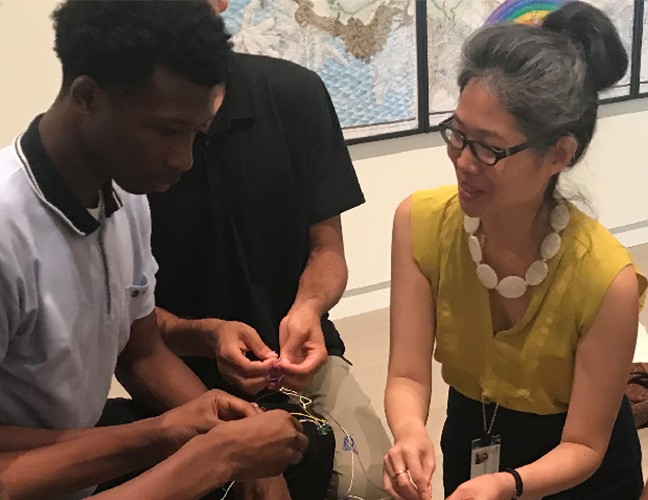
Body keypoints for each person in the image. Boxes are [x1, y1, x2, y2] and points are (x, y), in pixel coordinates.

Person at [0, 1, 307, 498]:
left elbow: (141, 351)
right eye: (166, 131)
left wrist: (237, 447)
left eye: (196, 133)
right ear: (87, 96)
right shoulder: (6, 230)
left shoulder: (126, 199)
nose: (183, 159)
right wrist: (211, 450)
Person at [383, 2, 646, 500]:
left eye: (489, 148)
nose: (463, 161)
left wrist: (510, 485)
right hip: (473, 443)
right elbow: (407, 375)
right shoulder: (418, 224)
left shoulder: (606, 277)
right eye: (457, 134)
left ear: (559, 154)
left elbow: (586, 446)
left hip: (578, 477)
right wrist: (409, 432)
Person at [148, 2, 392, 499]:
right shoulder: (126, 130)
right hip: (172, 374)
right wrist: (207, 338)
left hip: (299, 364)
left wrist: (308, 308)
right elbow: (127, 328)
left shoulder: (293, 95)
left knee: (372, 483)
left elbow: (328, 250)